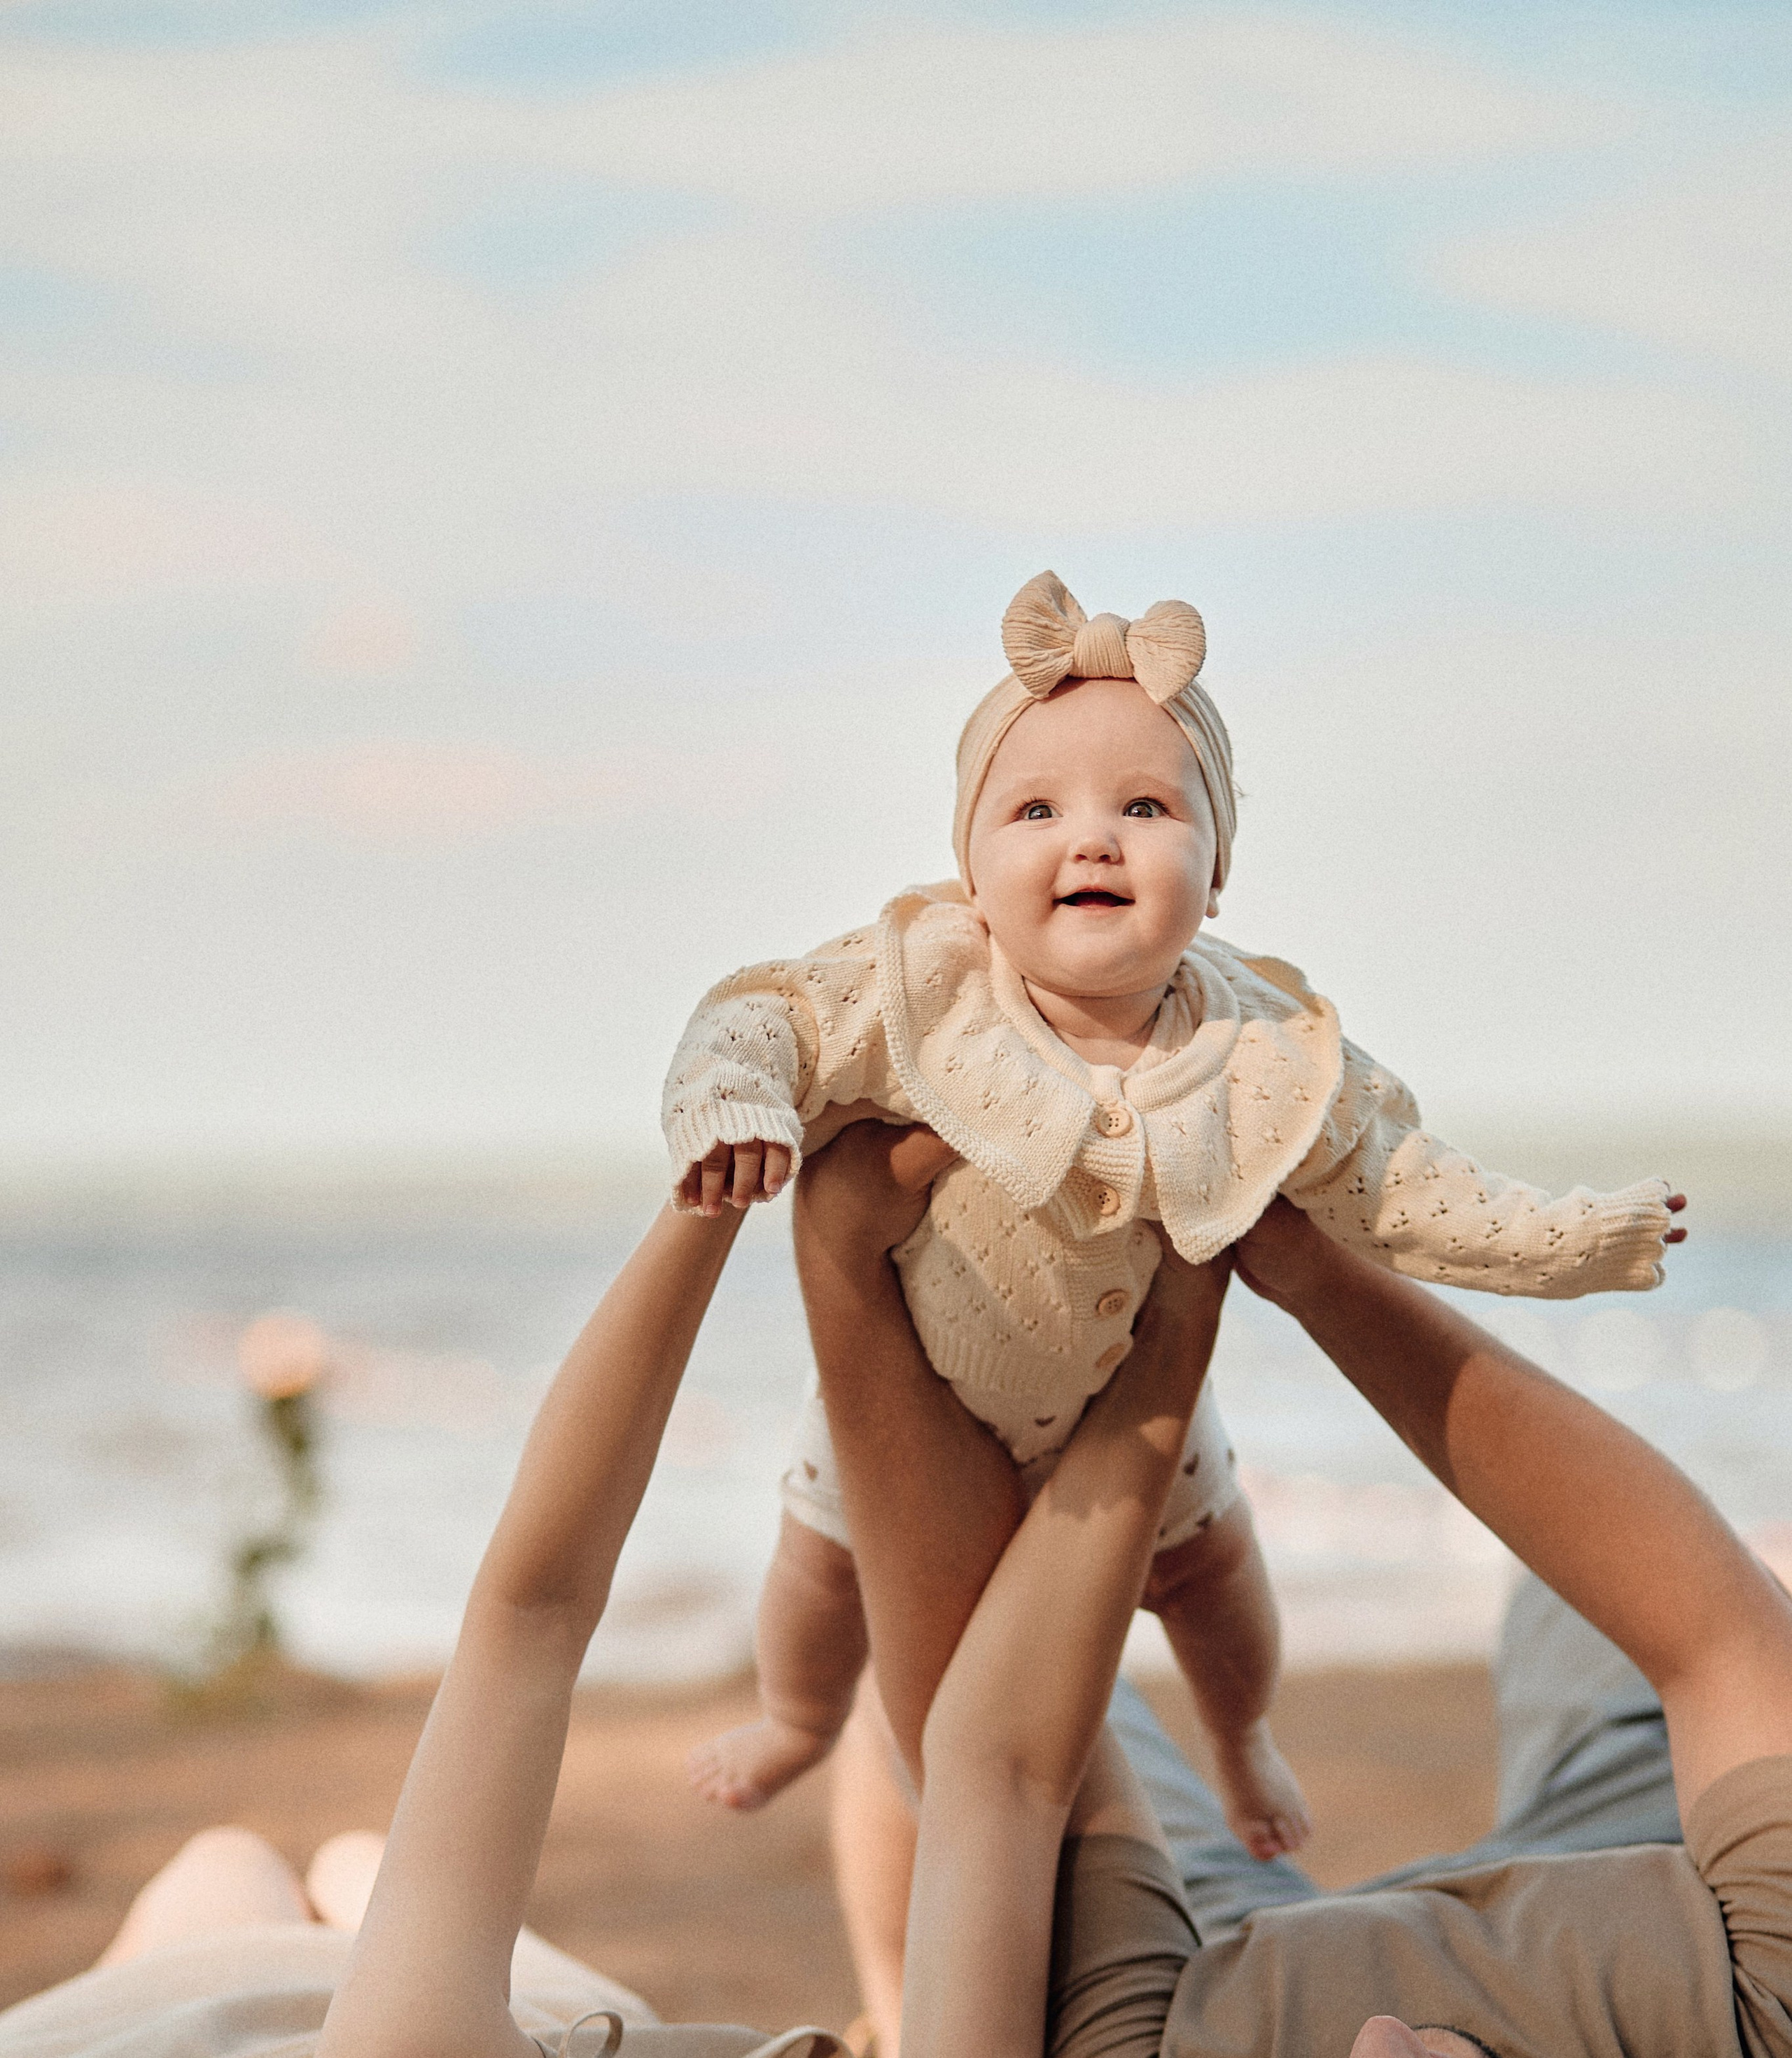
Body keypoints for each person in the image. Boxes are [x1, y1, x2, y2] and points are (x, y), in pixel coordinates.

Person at [22, 1185, 1189, 2058]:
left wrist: (708, 1204)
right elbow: (1004, 1780)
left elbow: (531, 1612)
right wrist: (1186, 1292)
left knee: (233, 1873)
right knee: (349, 1868)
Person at [808, 1148, 1791, 2058]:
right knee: (1620, 1596)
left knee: (927, 1704)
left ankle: (911, 1999)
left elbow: (1001, 1765)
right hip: (1633, 1866)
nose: (1382, 2032)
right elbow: (1709, 1632)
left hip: (1218, 1962)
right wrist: (1318, 1275)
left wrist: (859, 1275)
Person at [666, 568, 1676, 1861]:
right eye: (1037, 809)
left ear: (1217, 871)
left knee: (1220, 1582)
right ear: (971, 869)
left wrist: (1580, 1238)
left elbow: (1410, 1188)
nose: (1094, 839)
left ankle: (1241, 1735)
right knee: (817, 1572)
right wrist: (738, 1101)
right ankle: (797, 1719)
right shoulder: (927, 987)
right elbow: (765, 1016)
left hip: (1125, 1401)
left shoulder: (1257, 1047)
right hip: (922, 1388)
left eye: (1145, 807)